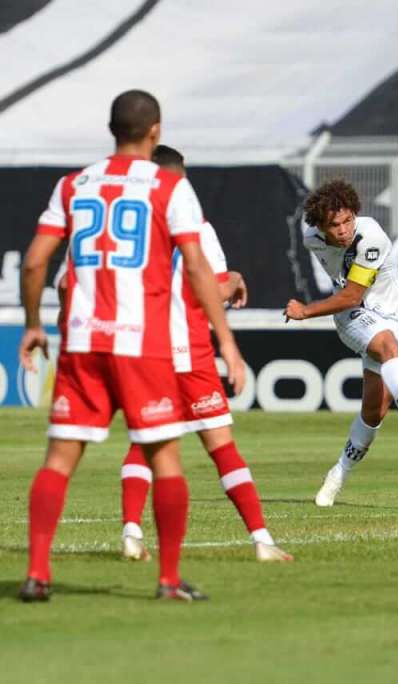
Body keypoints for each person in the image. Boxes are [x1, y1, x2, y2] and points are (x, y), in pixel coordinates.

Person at [17, 90, 245, 602]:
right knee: (165, 458)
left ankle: (37, 574)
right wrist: (226, 341)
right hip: (143, 346)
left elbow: (35, 262)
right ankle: (167, 581)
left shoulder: (73, 184)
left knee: (58, 460)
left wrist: (34, 324)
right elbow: (198, 267)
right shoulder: (169, 187)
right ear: (155, 131)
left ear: (111, 129)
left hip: (82, 343)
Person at [115, 145, 292, 563]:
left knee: (144, 443)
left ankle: (130, 530)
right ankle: (262, 540)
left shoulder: (126, 227)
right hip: (188, 351)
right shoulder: (195, 224)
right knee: (221, 447)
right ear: (178, 177)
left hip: (142, 351)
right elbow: (208, 287)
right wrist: (235, 282)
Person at [283, 179, 398, 507]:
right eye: (335, 225)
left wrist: (305, 310)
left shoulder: (371, 236)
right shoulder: (310, 239)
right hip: (353, 316)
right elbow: (350, 299)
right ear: (320, 226)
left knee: (374, 412)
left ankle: (338, 474)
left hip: (391, 316)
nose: (344, 230)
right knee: (387, 346)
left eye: (348, 220)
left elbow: (351, 291)